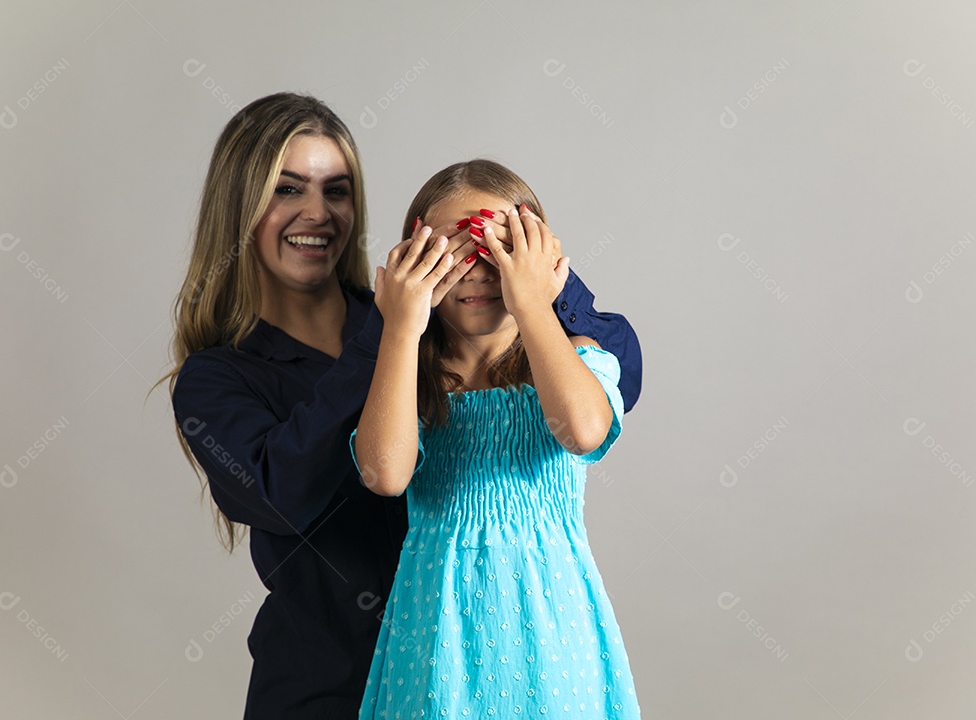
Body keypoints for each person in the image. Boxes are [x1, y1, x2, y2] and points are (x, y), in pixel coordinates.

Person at [165, 92, 642, 718]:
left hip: (513, 662)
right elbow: (284, 492)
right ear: (240, 209)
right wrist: (391, 332)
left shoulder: (434, 319)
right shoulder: (225, 376)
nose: (318, 212)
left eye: (336, 191)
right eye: (287, 189)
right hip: (333, 685)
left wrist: (535, 269)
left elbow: (610, 369)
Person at [352, 159, 641, 718]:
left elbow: (583, 432)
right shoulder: (404, 376)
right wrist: (401, 326)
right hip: (436, 634)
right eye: (454, 252)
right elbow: (384, 474)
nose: (478, 271)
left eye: (499, 248)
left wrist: (532, 301)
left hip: (553, 634)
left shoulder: (574, 357)